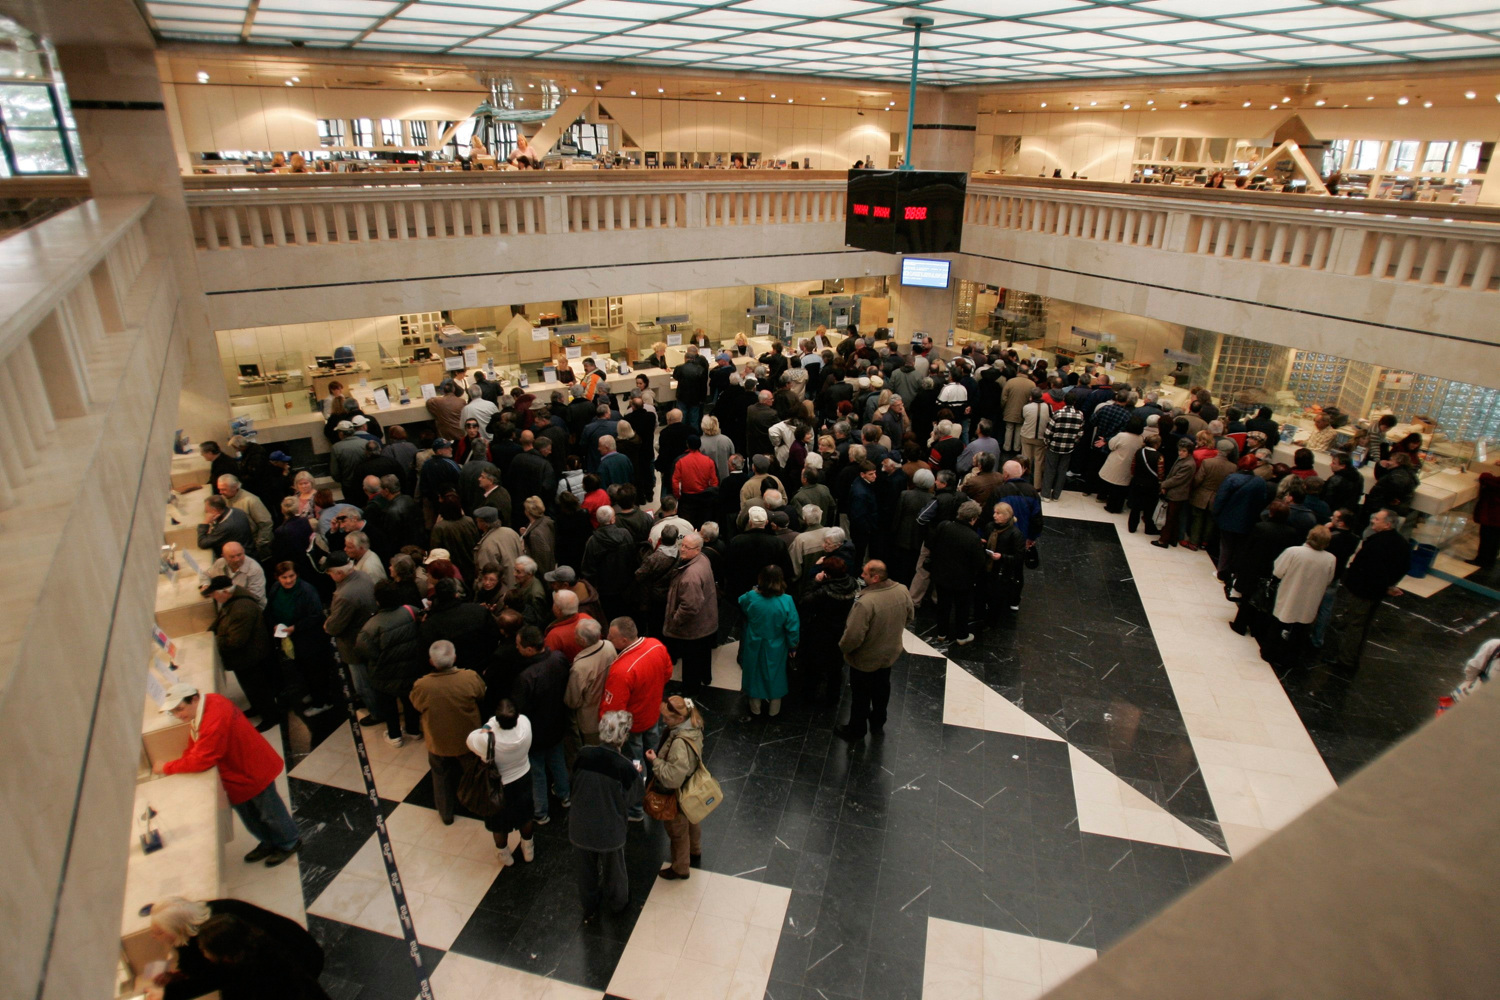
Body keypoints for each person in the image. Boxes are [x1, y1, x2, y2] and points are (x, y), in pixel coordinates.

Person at [154, 683, 300, 866]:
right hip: (239, 771)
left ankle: (289, 842)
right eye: (173, 712)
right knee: (251, 816)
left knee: (269, 813)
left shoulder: (213, 719)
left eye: (180, 709)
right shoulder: (210, 702)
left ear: (194, 699)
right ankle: (270, 841)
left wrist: (167, 767)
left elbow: (201, 759)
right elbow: (197, 740)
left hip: (250, 771)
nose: (178, 715)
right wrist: (185, 757)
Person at [147, 897, 324, 1000]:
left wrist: (166, 994)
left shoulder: (217, 936)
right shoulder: (202, 916)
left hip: (299, 963)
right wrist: (179, 976)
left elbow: (215, 977)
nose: (154, 937)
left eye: (159, 932)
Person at [569, 709, 644, 921]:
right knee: (614, 870)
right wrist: (637, 775)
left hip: (580, 827)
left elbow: (573, 781)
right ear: (624, 736)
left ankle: (590, 906)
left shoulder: (583, 754)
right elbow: (634, 798)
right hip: (609, 831)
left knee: (585, 871)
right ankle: (618, 904)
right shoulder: (625, 768)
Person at [600, 616, 673, 821]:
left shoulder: (622, 670)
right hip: (652, 715)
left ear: (623, 640)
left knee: (635, 763)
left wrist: (611, 738)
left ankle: (635, 808)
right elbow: (667, 672)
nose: (608, 639)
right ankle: (656, 788)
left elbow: (613, 711)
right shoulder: (656, 645)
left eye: (611, 636)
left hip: (633, 725)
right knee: (654, 753)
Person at [409, 640, 485, 825]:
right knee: (473, 773)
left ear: (431, 662)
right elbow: (481, 694)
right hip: (468, 739)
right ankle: (480, 805)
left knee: (440, 776)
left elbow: (417, 705)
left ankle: (446, 813)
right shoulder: (469, 677)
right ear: (455, 658)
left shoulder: (422, 685)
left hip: (438, 740)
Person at [834, 561, 913, 741]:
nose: (862, 576)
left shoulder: (866, 603)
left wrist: (843, 649)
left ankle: (856, 729)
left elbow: (853, 636)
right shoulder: (902, 590)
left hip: (865, 658)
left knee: (861, 696)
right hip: (890, 652)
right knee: (882, 687)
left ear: (875, 578)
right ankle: (878, 720)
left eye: (865, 574)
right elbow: (909, 616)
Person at [1328, 508, 1411, 674]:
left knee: (1355, 625)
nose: (1373, 521)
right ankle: (1353, 657)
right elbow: (1403, 568)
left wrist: (1352, 580)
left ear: (1387, 524)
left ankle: (1346, 660)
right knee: (1364, 624)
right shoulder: (1402, 543)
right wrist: (1388, 586)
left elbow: (1366, 568)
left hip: (1364, 591)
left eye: (1377, 519)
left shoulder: (1377, 543)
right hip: (1377, 591)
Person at [511, 625, 572, 825]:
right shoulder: (559, 658)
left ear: (529, 649)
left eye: (518, 645)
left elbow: (519, 709)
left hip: (535, 733)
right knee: (557, 761)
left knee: (537, 772)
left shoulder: (526, 676)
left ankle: (540, 812)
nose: (516, 648)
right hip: (557, 724)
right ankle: (565, 795)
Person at [202, 575, 279, 730]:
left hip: (249, 656)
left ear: (224, 592)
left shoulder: (241, 609)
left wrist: (214, 640)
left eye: (214, 594)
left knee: (258, 688)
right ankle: (256, 708)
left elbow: (235, 641)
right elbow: (221, 620)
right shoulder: (232, 598)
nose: (214, 598)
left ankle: (270, 717)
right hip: (245, 656)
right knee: (251, 687)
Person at [354, 580, 425, 747]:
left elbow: (364, 651)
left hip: (384, 674)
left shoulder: (371, 626)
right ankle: (414, 730)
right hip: (410, 669)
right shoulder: (411, 611)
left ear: (377, 600)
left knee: (389, 705)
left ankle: (395, 736)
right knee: (409, 701)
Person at [467, 699, 536, 867]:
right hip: (523, 777)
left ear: (497, 720)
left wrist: (488, 726)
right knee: (525, 815)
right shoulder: (525, 724)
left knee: (499, 822)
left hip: (498, 786)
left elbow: (471, 739)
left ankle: (503, 853)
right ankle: (528, 848)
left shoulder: (488, 740)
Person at [265, 561, 335, 717]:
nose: (288, 580)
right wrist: (275, 625)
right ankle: (313, 692)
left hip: (310, 639)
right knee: (302, 669)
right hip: (291, 639)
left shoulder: (307, 591)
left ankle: (322, 701)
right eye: (284, 577)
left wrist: (295, 628)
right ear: (277, 578)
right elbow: (269, 611)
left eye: (291, 576)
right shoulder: (276, 589)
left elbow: (316, 615)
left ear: (297, 575)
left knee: (316, 672)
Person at [647, 695, 706, 879]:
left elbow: (672, 779)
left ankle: (681, 867)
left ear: (680, 719)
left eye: (667, 718)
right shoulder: (695, 725)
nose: (663, 721)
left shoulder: (679, 743)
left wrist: (655, 761)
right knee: (692, 818)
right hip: (691, 787)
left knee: (677, 831)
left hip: (677, 794)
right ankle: (695, 849)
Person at [322, 553, 380, 725]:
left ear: (339, 574)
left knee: (363, 684)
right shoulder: (362, 576)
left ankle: (376, 713)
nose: (329, 576)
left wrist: (327, 625)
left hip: (354, 643)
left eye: (329, 572)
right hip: (370, 635)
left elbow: (334, 627)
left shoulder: (345, 594)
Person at [1269, 525, 1338, 669]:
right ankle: (1291, 658)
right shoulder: (1330, 558)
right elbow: (1329, 580)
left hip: (1290, 592)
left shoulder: (1293, 552)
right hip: (1311, 598)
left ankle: (1269, 652)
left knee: (1279, 623)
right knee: (1300, 629)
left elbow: (1278, 571)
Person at [737, 565, 800, 720]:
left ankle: (755, 709)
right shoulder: (787, 600)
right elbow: (793, 627)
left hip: (754, 641)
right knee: (775, 674)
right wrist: (793, 645)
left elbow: (741, 602)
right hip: (776, 644)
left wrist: (755, 590)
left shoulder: (751, 596)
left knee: (753, 673)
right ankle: (774, 710)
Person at [797, 556, 859, 707]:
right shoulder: (851, 583)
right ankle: (832, 698)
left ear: (827, 574)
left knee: (813, 666)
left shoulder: (824, 591)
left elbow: (804, 601)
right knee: (835, 667)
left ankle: (809, 697)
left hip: (820, 631)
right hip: (840, 630)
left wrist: (815, 582)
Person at [663, 532, 718, 694]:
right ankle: (705, 678)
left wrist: (675, 620)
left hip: (693, 628)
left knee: (691, 660)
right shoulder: (703, 559)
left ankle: (689, 690)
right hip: (706, 620)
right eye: (683, 545)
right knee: (704, 653)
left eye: (688, 547)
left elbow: (689, 607)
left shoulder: (690, 575)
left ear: (698, 549)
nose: (683, 549)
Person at [927, 500, 988, 646]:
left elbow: (933, 545)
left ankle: (941, 633)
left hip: (941, 575)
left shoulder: (944, 526)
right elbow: (979, 563)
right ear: (973, 518)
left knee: (943, 605)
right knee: (962, 608)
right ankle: (962, 635)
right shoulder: (973, 538)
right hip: (962, 580)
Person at [565, 618, 616, 753]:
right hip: (610, 709)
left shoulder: (580, 667)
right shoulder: (609, 646)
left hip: (590, 719)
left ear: (582, 640)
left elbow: (572, 701)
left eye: (575, 633)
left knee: (594, 751)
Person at [984, 502, 1027, 617]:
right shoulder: (990, 526)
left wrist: (1002, 557)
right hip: (990, 565)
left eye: (998, 513)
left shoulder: (1015, 534)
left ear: (1007, 516)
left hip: (1003, 569)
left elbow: (1019, 556)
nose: (994, 515)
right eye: (994, 512)